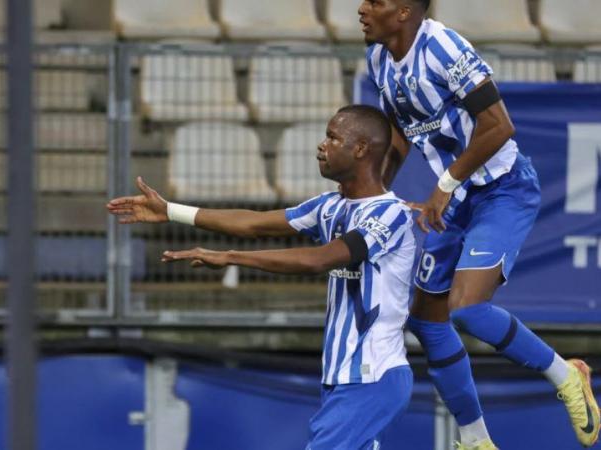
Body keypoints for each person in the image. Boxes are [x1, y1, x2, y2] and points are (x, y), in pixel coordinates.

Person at [357, 0, 600, 449]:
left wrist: (446, 183)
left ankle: (567, 374)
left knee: (466, 308)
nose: (362, 8)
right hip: (456, 198)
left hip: (501, 190)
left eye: (376, 1)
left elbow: (499, 125)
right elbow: (397, 135)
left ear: (406, 11)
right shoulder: (378, 58)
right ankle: (475, 439)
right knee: (427, 321)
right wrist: (373, 199)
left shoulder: (445, 48)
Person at [108, 105, 415, 449]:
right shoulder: (330, 206)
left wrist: (230, 258)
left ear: (360, 149)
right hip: (343, 377)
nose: (321, 146)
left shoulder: (391, 215)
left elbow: (319, 260)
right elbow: (252, 222)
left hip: (372, 375)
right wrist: (171, 211)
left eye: (332, 137)